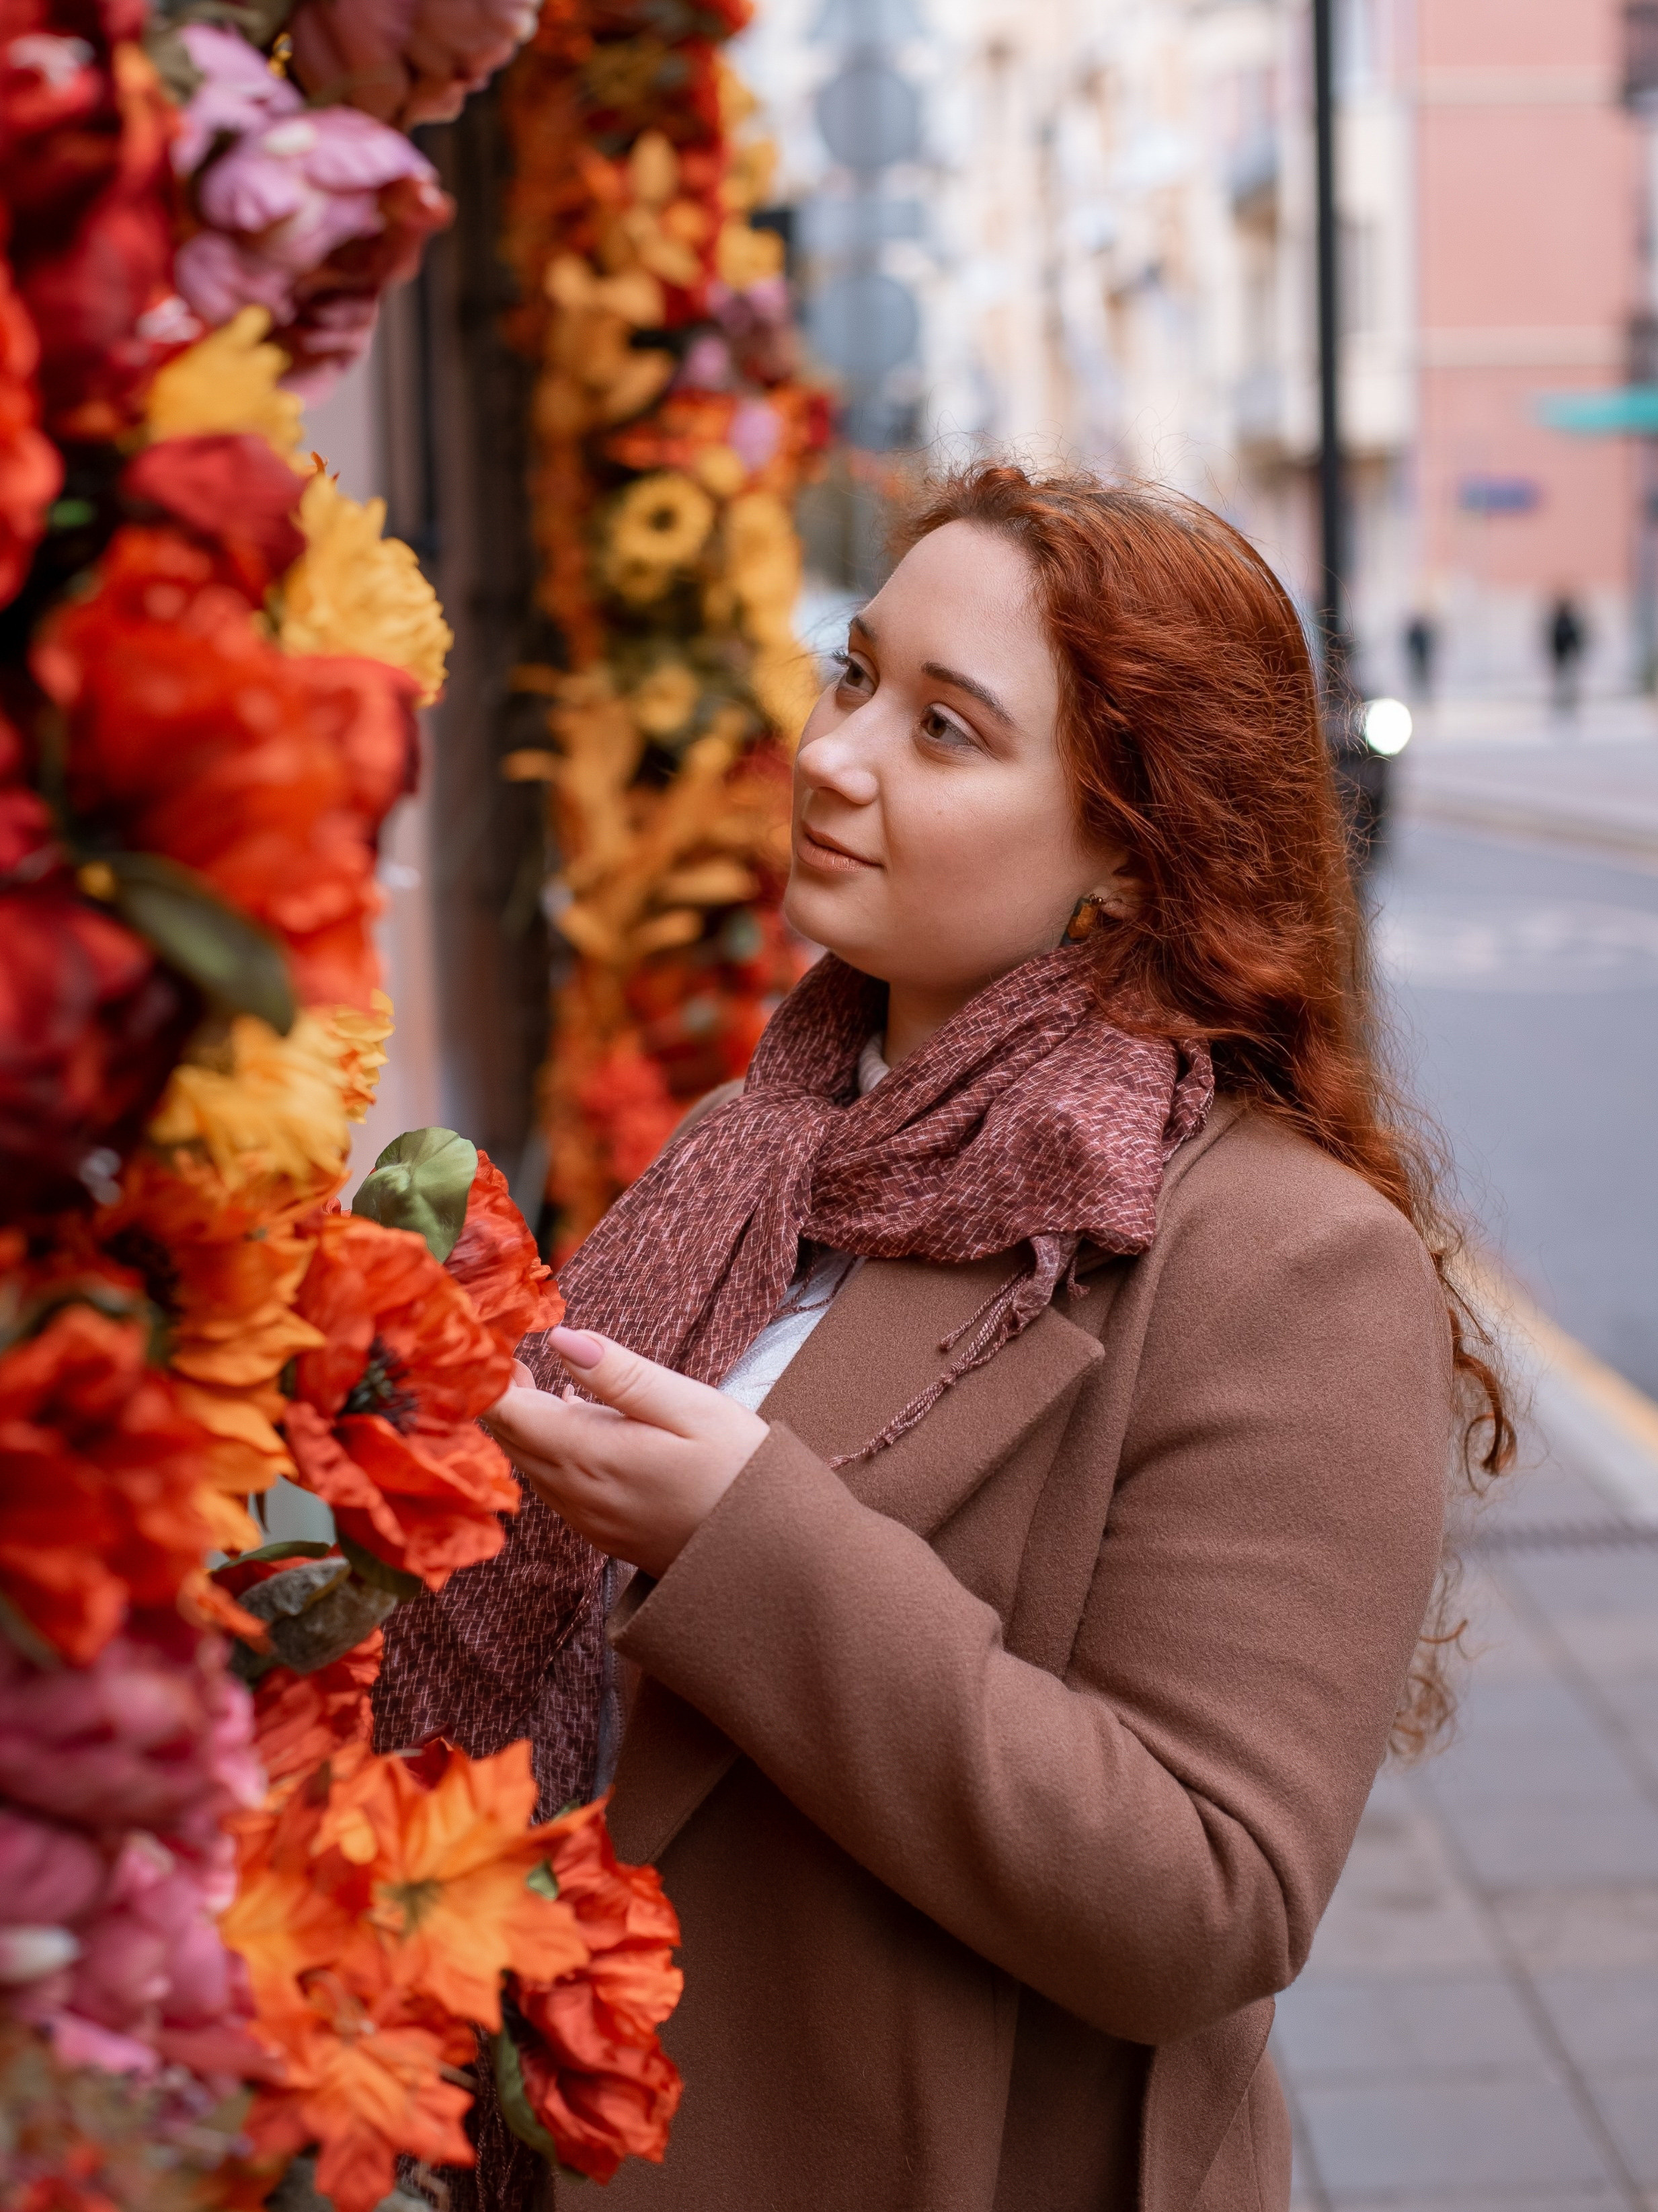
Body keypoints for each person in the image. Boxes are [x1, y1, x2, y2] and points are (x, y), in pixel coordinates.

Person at [403, 465, 1511, 2212]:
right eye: (854, 679)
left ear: (1129, 860)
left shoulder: (1285, 1261)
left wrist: (739, 1537)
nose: (834, 758)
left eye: (943, 729)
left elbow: (1207, 1897)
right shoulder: (757, 1146)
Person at [1546, 592, 1587, 715]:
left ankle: (1569, 697)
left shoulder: (1569, 622)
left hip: (1568, 655)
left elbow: (1575, 639)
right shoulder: (1557, 622)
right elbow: (1553, 640)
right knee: (1560, 678)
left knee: (1569, 677)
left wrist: (1577, 653)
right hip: (1560, 655)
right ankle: (1561, 698)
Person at [1403, 609, 1437, 699]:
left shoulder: (1422, 632)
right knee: (1417, 673)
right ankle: (1417, 692)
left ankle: (1423, 692)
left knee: (1423, 673)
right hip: (1417, 656)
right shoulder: (1416, 633)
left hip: (1422, 656)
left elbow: (1428, 644)